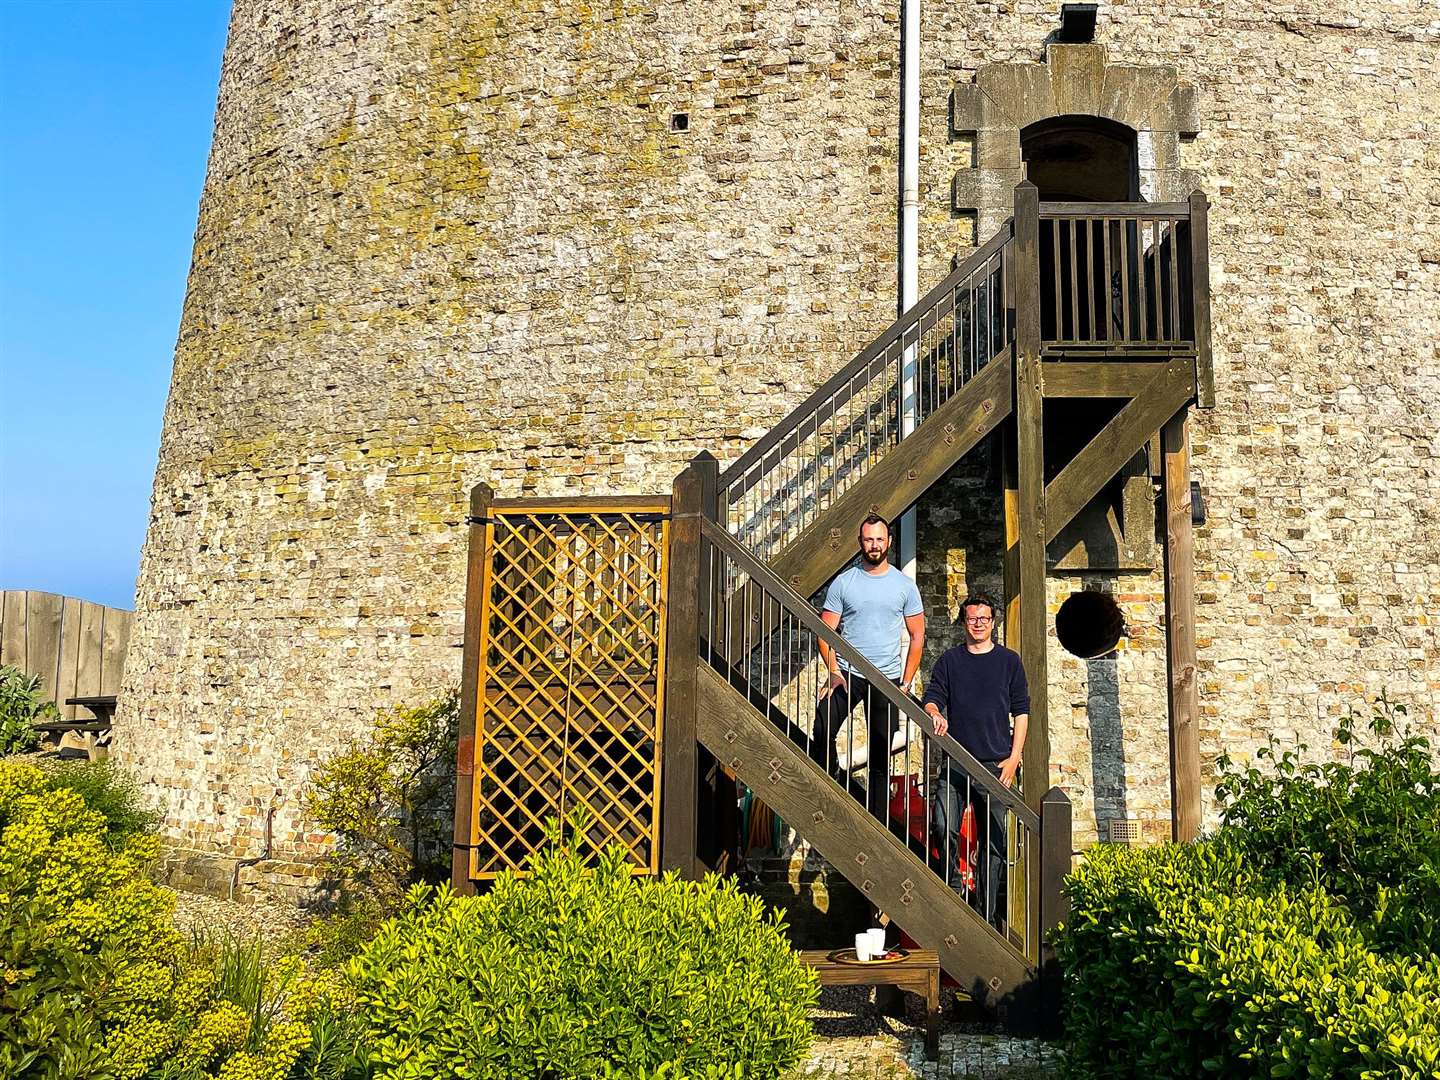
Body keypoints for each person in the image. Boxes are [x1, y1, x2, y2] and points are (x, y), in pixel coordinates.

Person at [921, 593, 1029, 928]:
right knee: (943, 824)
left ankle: (984, 913)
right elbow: (932, 697)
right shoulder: (950, 661)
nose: (978, 624)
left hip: (996, 766)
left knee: (994, 845)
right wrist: (934, 712)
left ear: (992, 622)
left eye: (983, 618)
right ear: (964, 622)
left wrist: (1014, 759)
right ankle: (955, 886)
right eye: (972, 619)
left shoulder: (1009, 661)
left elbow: (1022, 712)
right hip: (956, 761)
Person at [812, 514, 925, 825]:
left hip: (885, 679)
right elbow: (825, 631)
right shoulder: (845, 582)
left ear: (888, 541)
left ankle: (877, 821)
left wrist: (905, 682)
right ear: (860, 542)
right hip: (847, 673)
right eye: (868, 540)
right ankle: (832, 775)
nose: (874, 545)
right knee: (822, 728)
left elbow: (917, 635)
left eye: (879, 539)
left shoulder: (903, 586)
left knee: (880, 755)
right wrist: (833, 670)